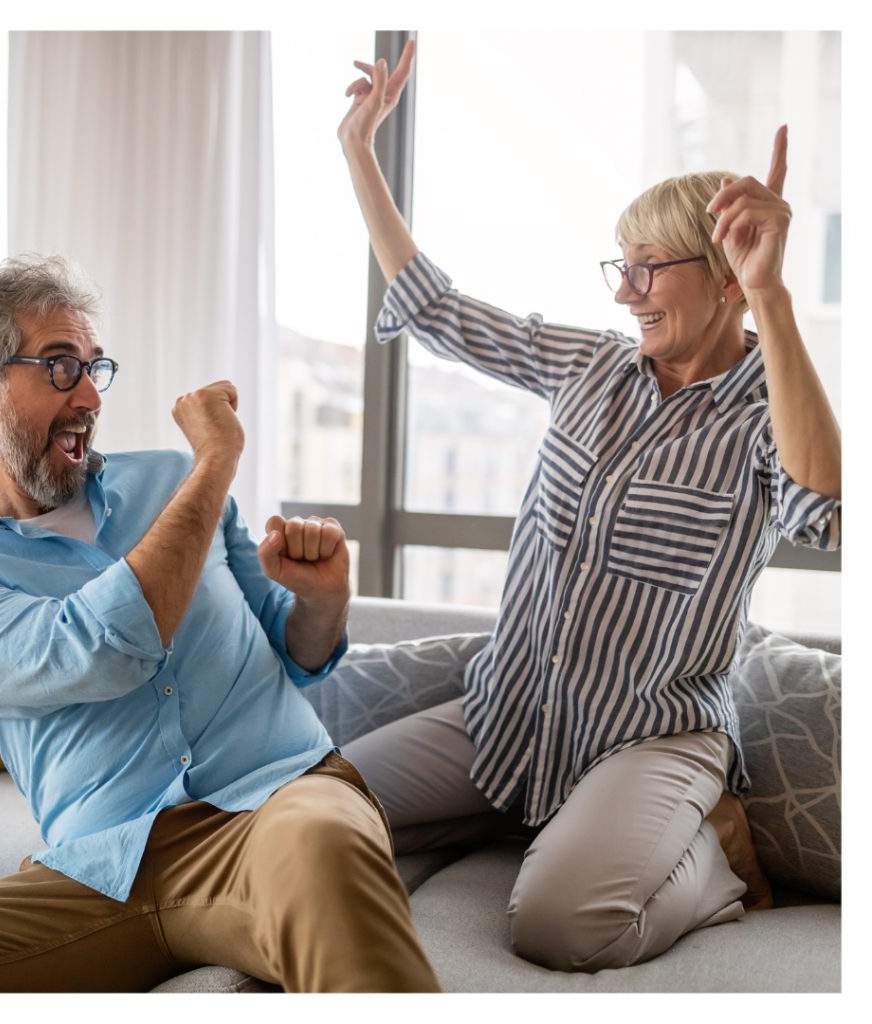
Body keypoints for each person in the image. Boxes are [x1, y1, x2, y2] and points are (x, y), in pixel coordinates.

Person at [336, 40, 841, 972]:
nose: (624, 289)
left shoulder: (769, 415)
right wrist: (360, 149)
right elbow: (435, 306)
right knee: (304, 802)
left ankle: (715, 858)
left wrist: (773, 298)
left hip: (652, 741)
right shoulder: (589, 364)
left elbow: (827, 505)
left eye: (650, 268)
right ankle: (533, 820)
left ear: (727, 278)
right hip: (509, 717)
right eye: (619, 265)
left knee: (562, 926)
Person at [0, 255, 441, 993]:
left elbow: (295, 649)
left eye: (93, 366)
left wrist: (323, 600)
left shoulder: (173, 479)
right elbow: (102, 650)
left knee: (324, 842)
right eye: (57, 367)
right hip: (106, 868)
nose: (87, 395)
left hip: (277, 803)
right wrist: (216, 466)